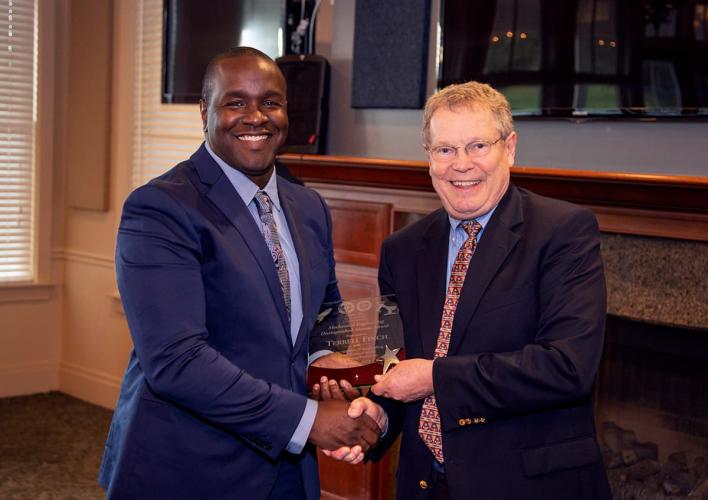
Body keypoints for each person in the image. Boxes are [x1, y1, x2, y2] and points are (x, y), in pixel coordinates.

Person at [98, 47, 382, 500]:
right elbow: (177, 360)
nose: (256, 116)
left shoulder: (308, 206)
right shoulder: (160, 209)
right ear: (204, 111)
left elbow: (326, 317)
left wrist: (328, 370)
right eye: (235, 102)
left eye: (271, 102)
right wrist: (308, 421)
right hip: (188, 468)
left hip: (288, 472)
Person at [328, 81, 612, 499]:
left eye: (478, 146)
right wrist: (379, 418)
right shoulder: (401, 250)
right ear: (429, 159)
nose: (461, 164)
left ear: (509, 148)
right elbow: (397, 367)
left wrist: (435, 378)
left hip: (527, 486)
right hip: (427, 484)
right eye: (445, 150)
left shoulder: (563, 232)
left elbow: (568, 368)